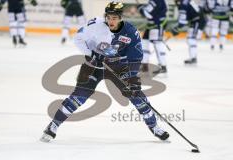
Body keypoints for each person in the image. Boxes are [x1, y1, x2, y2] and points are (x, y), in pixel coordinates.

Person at [40, 1, 169, 142]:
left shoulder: (131, 32)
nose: (111, 21)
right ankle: (53, 125)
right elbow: (78, 38)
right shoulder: (95, 24)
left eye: (114, 18)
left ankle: (154, 126)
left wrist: (133, 79)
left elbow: (135, 57)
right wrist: (92, 54)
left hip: (118, 67)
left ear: (121, 17)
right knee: (79, 96)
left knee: (137, 96)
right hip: (93, 65)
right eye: (109, 17)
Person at [137, 0, 168, 74]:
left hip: (157, 25)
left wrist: (140, 8)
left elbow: (147, 13)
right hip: (151, 26)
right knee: (144, 43)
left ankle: (163, 66)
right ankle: (144, 65)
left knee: (158, 44)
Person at [171, 0, 206, 64]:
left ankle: (193, 58)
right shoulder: (186, 1)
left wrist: (177, 28)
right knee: (190, 39)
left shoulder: (183, 4)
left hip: (197, 21)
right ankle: (193, 57)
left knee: (191, 39)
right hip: (198, 20)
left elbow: (183, 21)